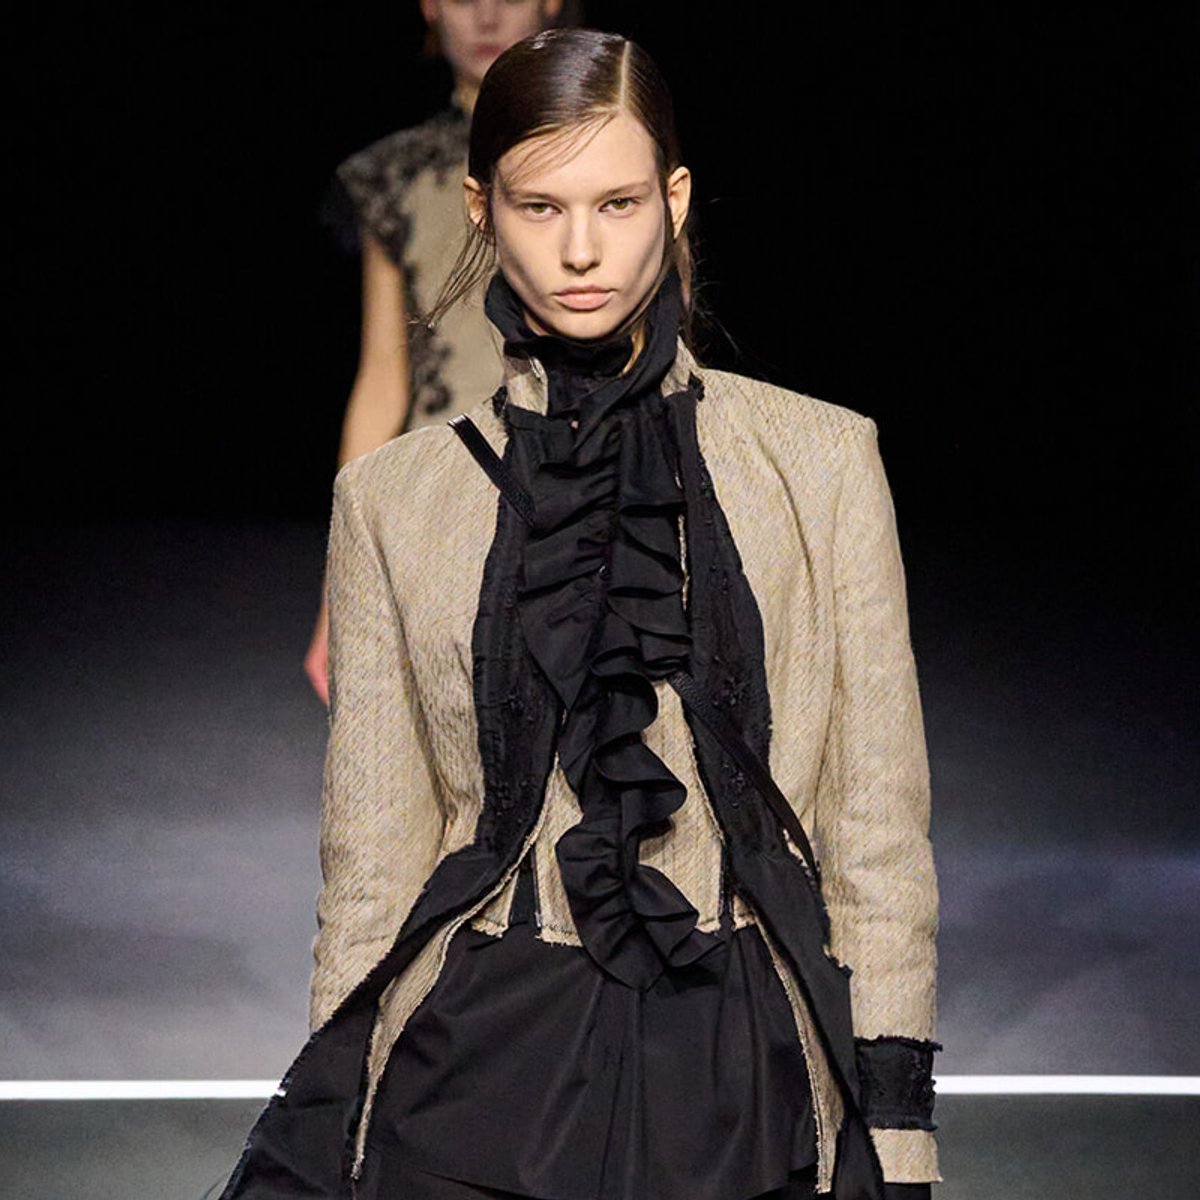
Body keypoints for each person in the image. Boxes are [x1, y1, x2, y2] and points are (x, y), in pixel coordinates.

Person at [224, 28, 939, 1200]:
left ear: (676, 198)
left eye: (617, 203)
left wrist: (898, 1136)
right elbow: (371, 862)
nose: (582, 251)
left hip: (746, 1069)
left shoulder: (822, 464)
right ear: (482, 209)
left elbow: (875, 833)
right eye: (540, 207)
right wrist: (339, 1116)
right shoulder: (395, 503)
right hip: (474, 1067)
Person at [305, 0, 566, 704]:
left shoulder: (603, 155)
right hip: (434, 504)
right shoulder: (393, 174)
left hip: (581, 487)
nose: (485, 14)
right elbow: (383, 378)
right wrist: (338, 585)